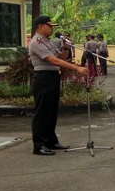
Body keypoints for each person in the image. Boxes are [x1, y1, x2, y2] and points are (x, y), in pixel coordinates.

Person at [28, 15, 89, 155]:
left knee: (51, 110)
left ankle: (51, 141)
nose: (51, 28)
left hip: (53, 76)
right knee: (42, 112)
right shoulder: (36, 42)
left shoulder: (47, 42)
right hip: (43, 78)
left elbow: (60, 57)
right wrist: (76, 68)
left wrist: (66, 47)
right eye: (49, 26)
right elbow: (53, 60)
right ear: (40, 26)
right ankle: (39, 145)